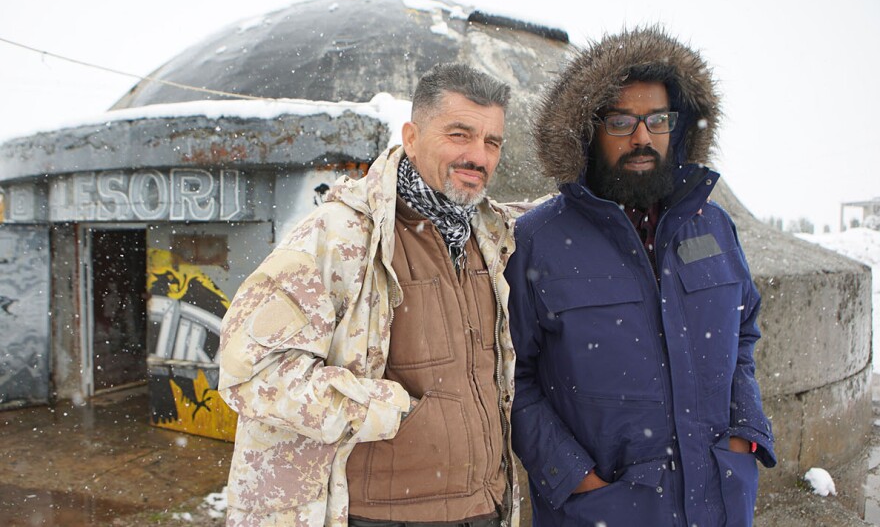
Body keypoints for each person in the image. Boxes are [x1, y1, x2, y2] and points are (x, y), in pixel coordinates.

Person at [218, 63, 519, 527]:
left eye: (491, 141)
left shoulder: (492, 236)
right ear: (412, 137)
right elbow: (252, 371)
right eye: (460, 134)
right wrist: (389, 410)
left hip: (484, 509)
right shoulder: (342, 235)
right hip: (380, 514)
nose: (478, 156)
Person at [506, 27, 776, 526]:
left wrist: (745, 431)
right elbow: (510, 375)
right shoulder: (538, 239)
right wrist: (574, 478)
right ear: (588, 130)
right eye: (621, 122)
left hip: (717, 500)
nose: (642, 137)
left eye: (657, 120)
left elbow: (743, 333)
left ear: (678, 127)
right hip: (605, 508)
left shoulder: (714, 227)